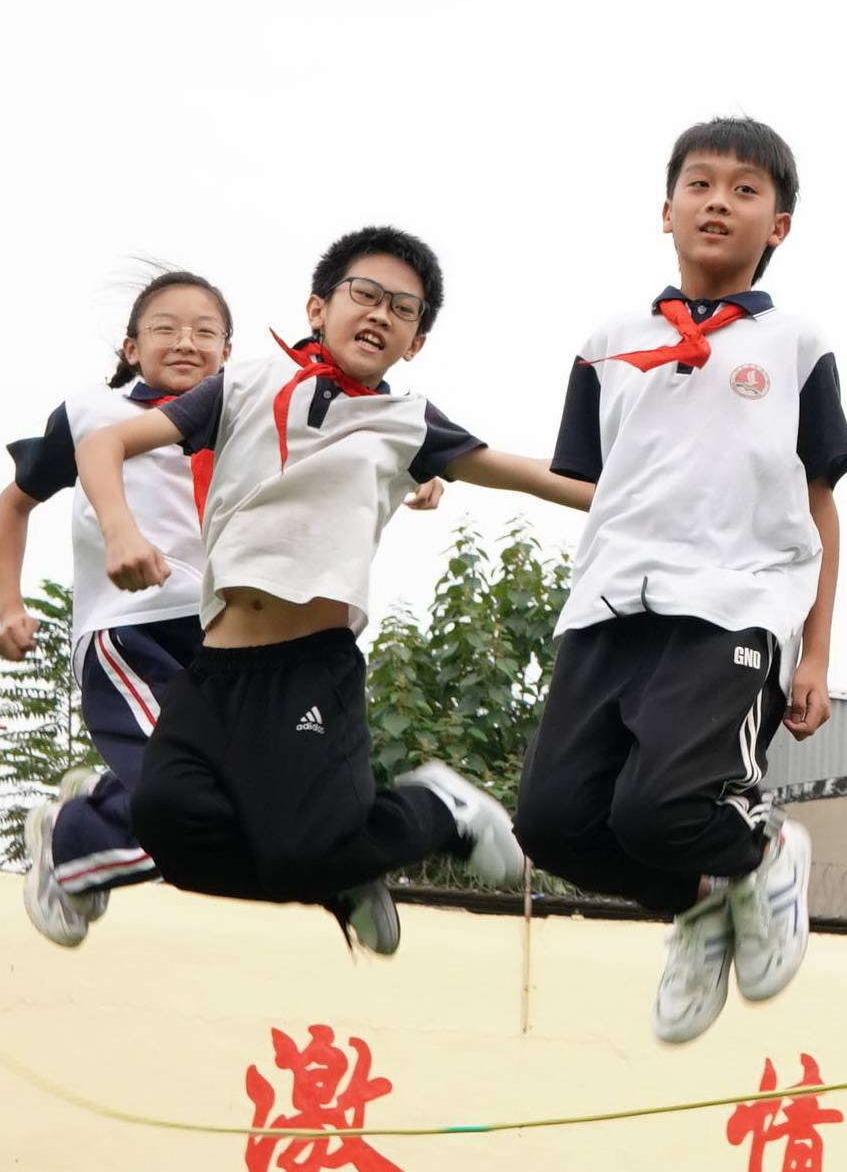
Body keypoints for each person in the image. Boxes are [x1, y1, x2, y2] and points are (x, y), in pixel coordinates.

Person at [76, 227, 576, 955]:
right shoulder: (244, 384)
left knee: (302, 848)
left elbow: (537, 475)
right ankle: (342, 872)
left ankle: (435, 807)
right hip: (214, 668)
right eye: (364, 295)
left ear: (416, 342)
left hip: (309, 668)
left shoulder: (408, 424)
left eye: (403, 310)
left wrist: (652, 489)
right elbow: (104, 444)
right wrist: (121, 532)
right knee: (169, 826)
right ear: (317, 307)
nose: (379, 315)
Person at [517, 118, 847, 1043]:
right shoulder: (606, 344)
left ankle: (764, 848)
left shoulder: (795, 344)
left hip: (736, 602)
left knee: (662, 805)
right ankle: (704, 900)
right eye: (700, 185)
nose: (718, 201)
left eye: (745, 190)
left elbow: (819, 502)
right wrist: (442, 463)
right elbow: (587, 485)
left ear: (778, 225)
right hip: (611, 601)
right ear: (665, 210)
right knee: (553, 822)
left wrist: (815, 650)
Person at [0, 268, 230, 949]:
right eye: (165, 329)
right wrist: (10, 606)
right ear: (131, 349)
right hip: (130, 632)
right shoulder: (94, 413)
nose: (186, 341)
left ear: (227, 354)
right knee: (177, 807)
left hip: (221, 636)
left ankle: (90, 814)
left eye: (205, 332)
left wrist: (418, 480)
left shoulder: (242, 416)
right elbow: (13, 505)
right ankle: (70, 845)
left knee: (227, 808)